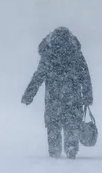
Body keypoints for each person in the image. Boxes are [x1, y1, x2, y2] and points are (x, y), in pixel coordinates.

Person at [21, 27, 93, 159]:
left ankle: (54, 149)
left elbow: (38, 76)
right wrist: (88, 95)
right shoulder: (75, 52)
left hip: (54, 97)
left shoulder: (49, 54)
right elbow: (85, 75)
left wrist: (28, 95)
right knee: (71, 122)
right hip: (73, 95)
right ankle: (71, 147)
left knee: (53, 124)